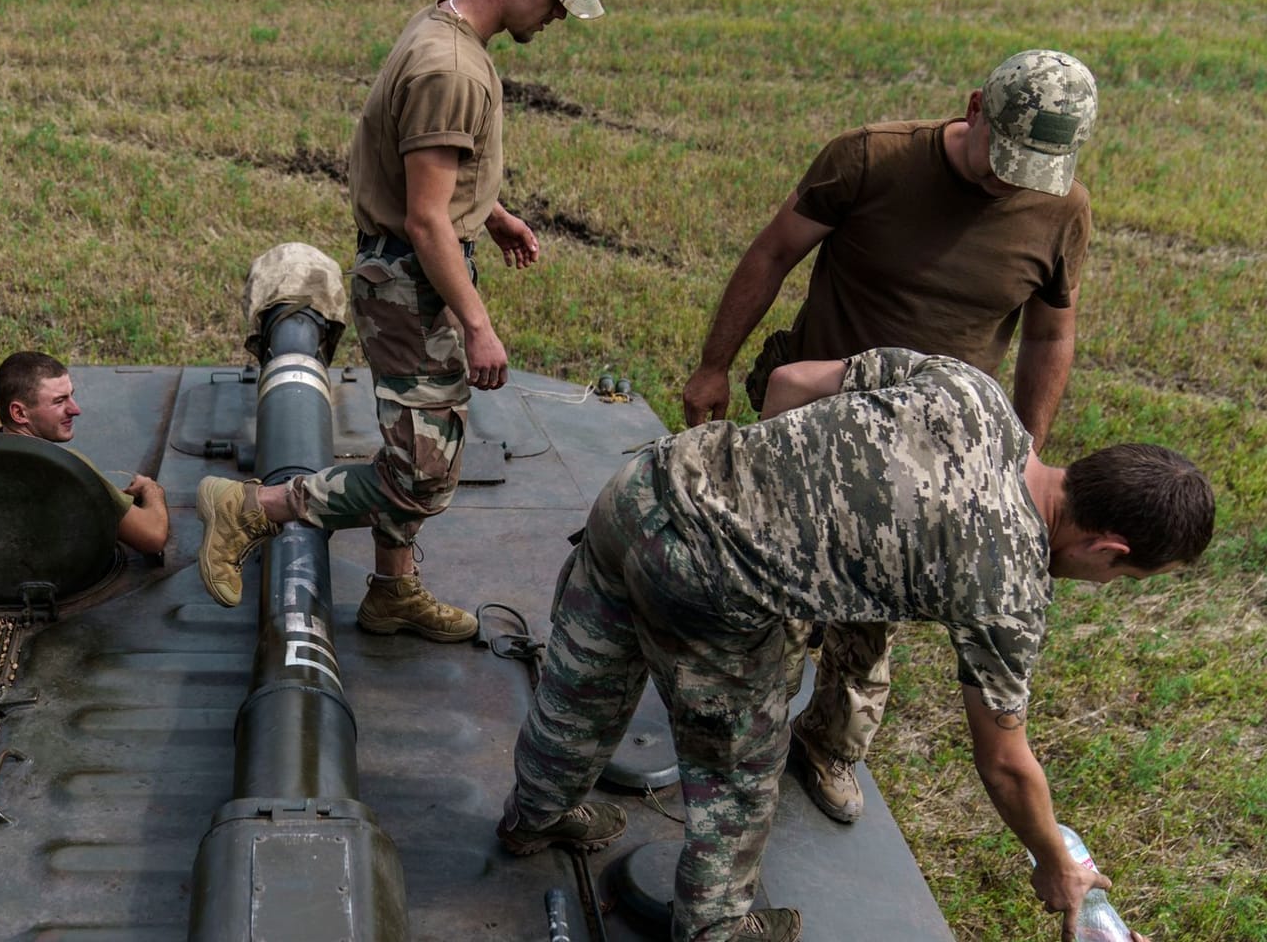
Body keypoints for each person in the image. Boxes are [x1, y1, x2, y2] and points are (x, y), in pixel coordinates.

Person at [499, 348, 1211, 942]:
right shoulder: (1009, 587)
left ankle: (535, 813)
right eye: (1125, 576)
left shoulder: (974, 394)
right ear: (1105, 545)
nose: (1103, 584)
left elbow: (789, 384)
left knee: (584, 677)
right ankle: (715, 928)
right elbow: (1005, 764)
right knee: (740, 769)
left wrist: (776, 496)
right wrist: (1058, 865)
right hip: (707, 584)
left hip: (648, 486)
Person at [678, 49, 1100, 823]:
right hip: (812, 418)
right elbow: (774, 251)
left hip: (934, 456)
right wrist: (714, 364)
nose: (1011, 183)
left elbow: (1048, 338)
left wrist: (1025, 448)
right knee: (769, 592)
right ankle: (732, 733)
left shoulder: (1061, 210)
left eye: (1032, 171)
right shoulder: (872, 158)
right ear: (974, 109)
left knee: (872, 615)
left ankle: (829, 747)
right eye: (1003, 161)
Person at [193, 0, 604, 641]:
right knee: (420, 472)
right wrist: (478, 324)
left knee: (411, 442)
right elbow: (425, 219)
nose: (558, 19)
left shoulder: (441, 28)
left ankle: (392, 590)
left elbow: (433, 174)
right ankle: (254, 508)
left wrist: (495, 211)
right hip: (410, 278)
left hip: (414, 265)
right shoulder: (452, 67)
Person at [0, 351, 169, 556]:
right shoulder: (67, 470)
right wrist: (152, 490)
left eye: (71, 396)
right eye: (59, 401)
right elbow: (153, 537)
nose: (75, 409)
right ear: (19, 413)